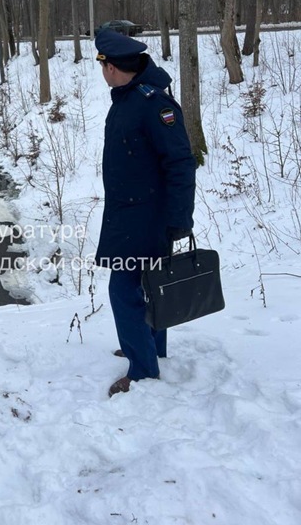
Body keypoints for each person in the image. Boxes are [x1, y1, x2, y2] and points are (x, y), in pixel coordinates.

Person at [94, 28, 196, 397]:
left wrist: (179, 219)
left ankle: (142, 369)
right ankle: (151, 348)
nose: (101, 70)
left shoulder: (155, 104)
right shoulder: (128, 98)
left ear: (110, 67)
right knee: (151, 287)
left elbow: (181, 163)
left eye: (102, 63)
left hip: (147, 218)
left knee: (124, 290)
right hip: (128, 214)